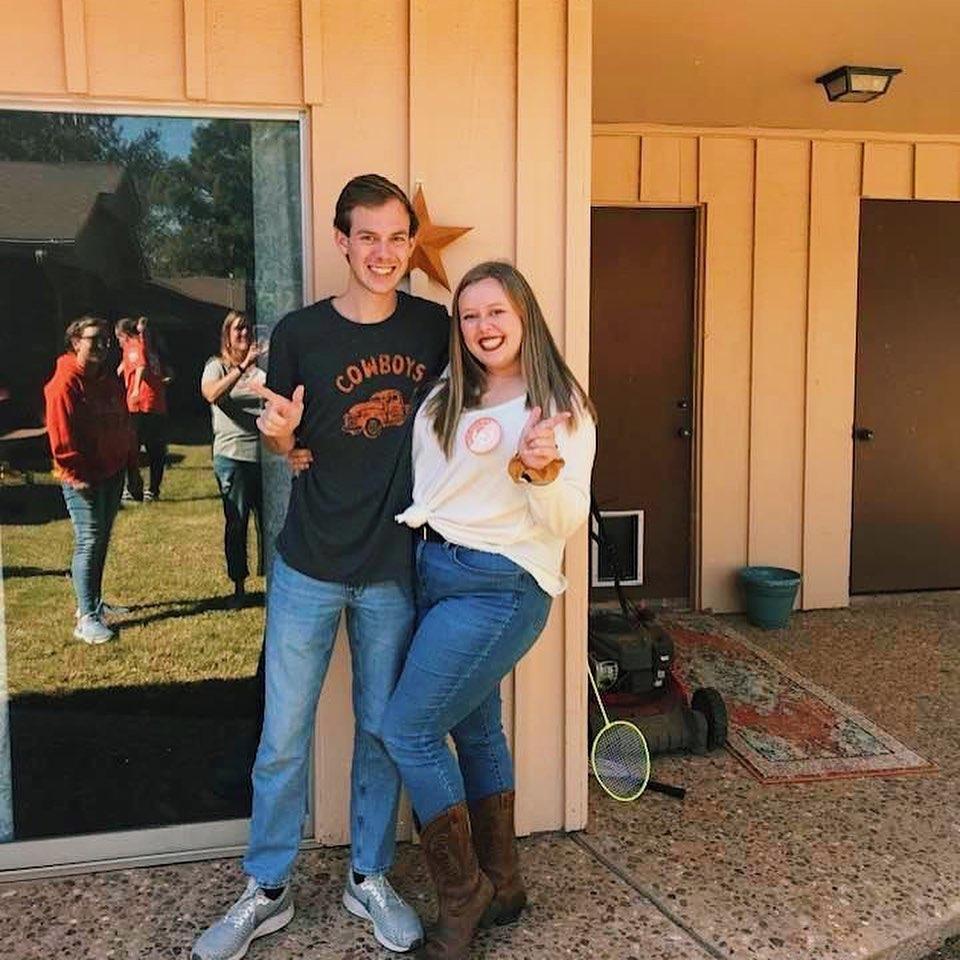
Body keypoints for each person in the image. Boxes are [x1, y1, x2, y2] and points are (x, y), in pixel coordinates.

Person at [191, 174, 449, 960]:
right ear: (341, 241)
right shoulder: (301, 331)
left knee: (379, 732)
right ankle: (267, 890)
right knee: (283, 735)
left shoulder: (436, 328)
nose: (383, 252)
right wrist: (279, 440)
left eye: (396, 237)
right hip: (308, 563)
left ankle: (367, 876)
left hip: (393, 567)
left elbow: (494, 394)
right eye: (366, 236)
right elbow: (282, 442)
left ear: (411, 244)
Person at [380, 261, 597, 959]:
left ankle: (461, 894)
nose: (483, 328)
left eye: (496, 312)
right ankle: (503, 885)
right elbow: (434, 483)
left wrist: (543, 466)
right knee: (475, 733)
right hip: (434, 570)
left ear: (525, 314)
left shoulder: (557, 402)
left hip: (500, 586)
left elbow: (566, 519)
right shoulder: (451, 390)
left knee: (408, 730)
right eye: (470, 316)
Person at [44, 316, 138, 645]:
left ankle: (94, 602)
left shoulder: (110, 381)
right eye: (93, 339)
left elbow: (125, 426)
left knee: (101, 540)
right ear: (75, 342)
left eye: (105, 341)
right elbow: (60, 435)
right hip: (83, 478)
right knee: (89, 540)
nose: (100, 346)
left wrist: (131, 467)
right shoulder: (64, 382)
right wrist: (75, 473)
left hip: (112, 473)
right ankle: (86, 617)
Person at [200, 311, 267, 608]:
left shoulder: (260, 368)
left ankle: (273, 582)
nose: (244, 333)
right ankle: (238, 586)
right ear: (226, 334)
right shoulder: (216, 366)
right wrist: (242, 367)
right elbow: (212, 395)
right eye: (238, 329)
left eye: (248, 328)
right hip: (233, 456)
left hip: (266, 457)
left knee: (269, 523)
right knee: (237, 522)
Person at [116, 315, 169, 502]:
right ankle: (152, 490)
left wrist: (136, 389)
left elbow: (140, 366)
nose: (119, 344)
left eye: (118, 339)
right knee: (155, 448)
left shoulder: (133, 346)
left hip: (141, 404)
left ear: (123, 335)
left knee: (131, 448)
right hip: (157, 403)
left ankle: (133, 489)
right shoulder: (146, 347)